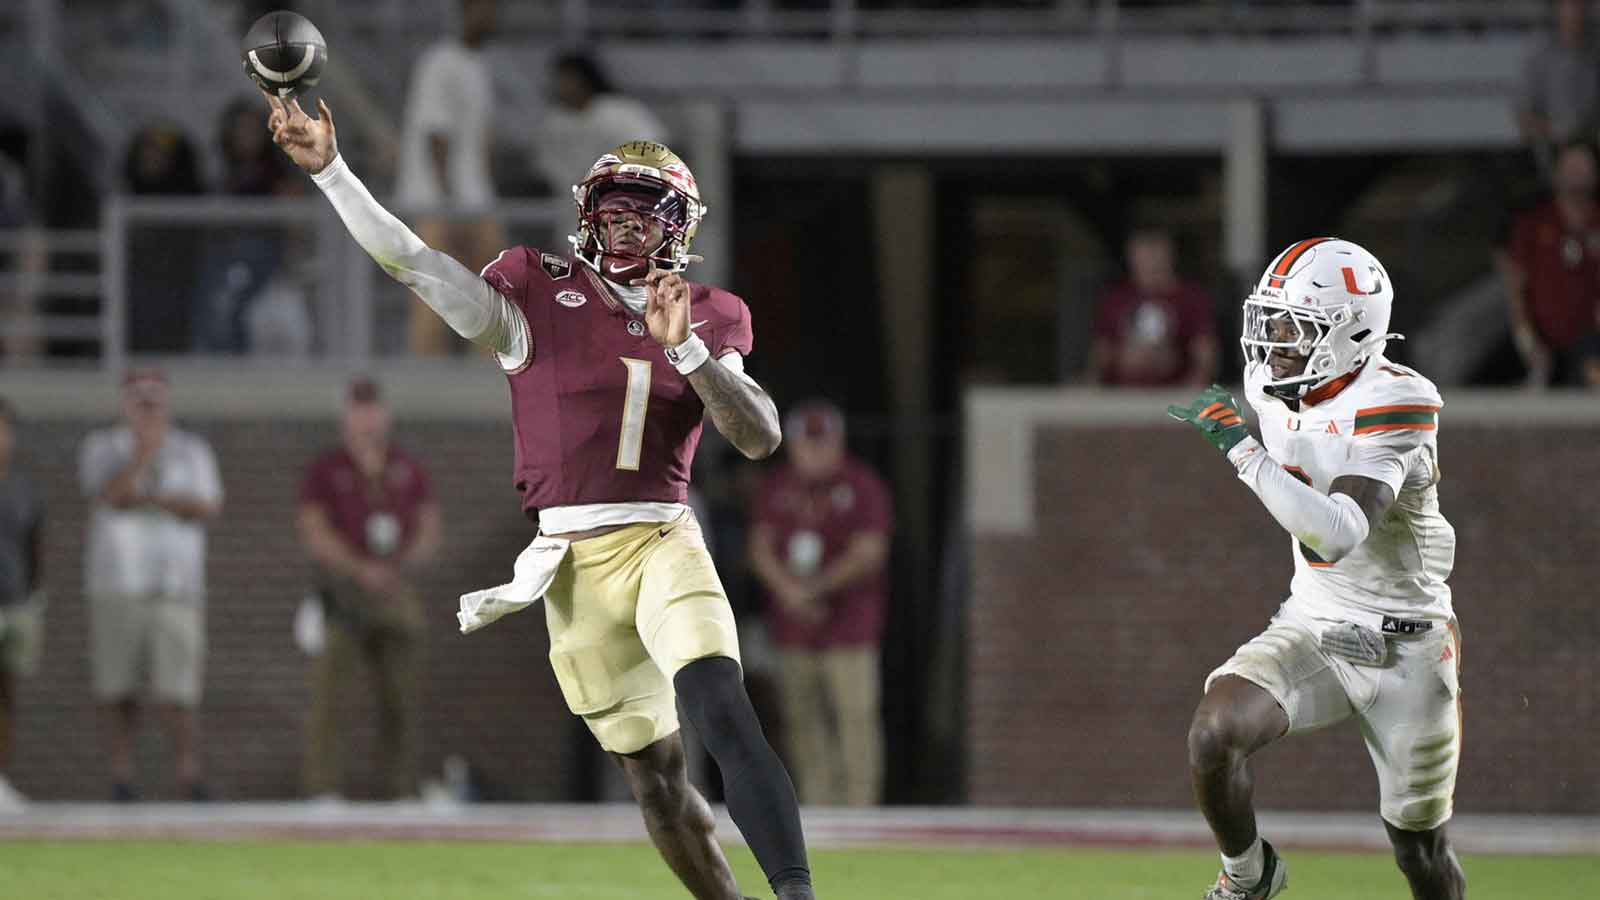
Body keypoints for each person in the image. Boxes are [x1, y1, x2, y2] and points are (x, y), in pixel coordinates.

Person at [266, 88, 817, 900]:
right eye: (614, 208)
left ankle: (797, 894)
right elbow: (413, 262)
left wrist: (690, 354)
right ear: (589, 214)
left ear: (679, 227)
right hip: (569, 561)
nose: (626, 224)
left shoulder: (708, 314)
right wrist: (333, 173)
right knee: (658, 783)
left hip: (663, 540)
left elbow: (761, 436)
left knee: (721, 706)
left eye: (646, 211)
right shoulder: (536, 295)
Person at [1167, 238, 1463, 900]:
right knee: (1215, 733)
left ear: (1352, 332)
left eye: (1294, 327)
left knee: (1420, 852)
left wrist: (1242, 450)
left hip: (1407, 647)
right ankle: (1249, 878)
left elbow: (1337, 535)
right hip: (1317, 623)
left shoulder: (1398, 400)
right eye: (1271, 322)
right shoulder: (1269, 384)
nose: (1274, 342)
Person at [79, 370, 223, 801]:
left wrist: (150, 499)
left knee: (178, 689)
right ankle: (122, 777)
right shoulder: (102, 447)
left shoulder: (192, 449)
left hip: (177, 585)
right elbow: (110, 495)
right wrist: (143, 455)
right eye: (138, 398)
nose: (147, 407)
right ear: (124, 403)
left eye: (154, 398)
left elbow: (206, 505)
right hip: (117, 583)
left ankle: (189, 775)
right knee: (117, 687)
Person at [298, 378, 440, 801]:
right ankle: (323, 789)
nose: (367, 420)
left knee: (403, 695)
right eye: (358, 410)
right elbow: (314, 531)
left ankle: (401, 789)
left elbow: (429, 528)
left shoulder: (407, 467)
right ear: (346, 417)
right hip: (344, 593)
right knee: (331, 694)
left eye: (373, 409)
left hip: (396, 589)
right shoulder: (327, 469)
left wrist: (398, 567)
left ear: (385, 415)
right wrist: (359, 569)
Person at [749, 401, 892, 808]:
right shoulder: (777, 487)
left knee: (855, 718)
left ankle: (860, 808)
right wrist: (790, 593)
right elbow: (759, 549)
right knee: (802, 721)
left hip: (849, 628)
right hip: (794, 628)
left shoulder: (862, 485)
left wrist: (815, 589)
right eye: (807, 444)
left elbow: (870, 552)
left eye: (823, 443)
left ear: (839, 443)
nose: (815, 453)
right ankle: (819, 807)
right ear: (792, 445)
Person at [397, 0, 504, 356]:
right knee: (435, 294)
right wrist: (450, 204)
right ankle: (425, 374)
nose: (492, 16)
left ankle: (489, 372)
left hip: (474, 198)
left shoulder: (479, 65)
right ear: (466, 10)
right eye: (485, 9)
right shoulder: (441, 62)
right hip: (439, 201)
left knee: (490, 294)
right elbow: (436, 134)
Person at [1501, 141, 1600, 386]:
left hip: (1591, 344)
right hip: (1542, 344)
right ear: (1557, 174)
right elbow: (1515, 287)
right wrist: (1527, 341)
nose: (1577, 176)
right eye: (1571, 168)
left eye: (1583, 169)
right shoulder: (1534, 223)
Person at [1088, 226, 1219, 386]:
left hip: (1174, 394)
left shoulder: (1192, 299)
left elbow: (1206, 358)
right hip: (1123, 395)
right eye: (1143, 255)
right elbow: (1100, 357)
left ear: (1170, 254)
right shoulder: (1114, 300)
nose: (1150, 262)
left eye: (1155, 253)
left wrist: (1189, 393)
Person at [534, 52, 669, 202]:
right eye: (559, 80)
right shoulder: (553, 122)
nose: (563, 86)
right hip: (572, 201)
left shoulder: (620, 111)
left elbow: (651, 148)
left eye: (568, 79)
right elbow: (547, 166)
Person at [0, 396, 45, 810]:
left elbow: (35, 544)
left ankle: (1, 778)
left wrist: (33, 593)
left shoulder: (22, 486)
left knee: (8, 694)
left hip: (14, 602)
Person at [1515, 0, 1600, 176]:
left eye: (1581, 5)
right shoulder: (1540, 52)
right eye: (1571, 5)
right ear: (1557, 8)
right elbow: (1524, 117)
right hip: (1551, 149)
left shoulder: (1595, 50)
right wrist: (1555, 131)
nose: (1576, 12)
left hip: (1592, 145)